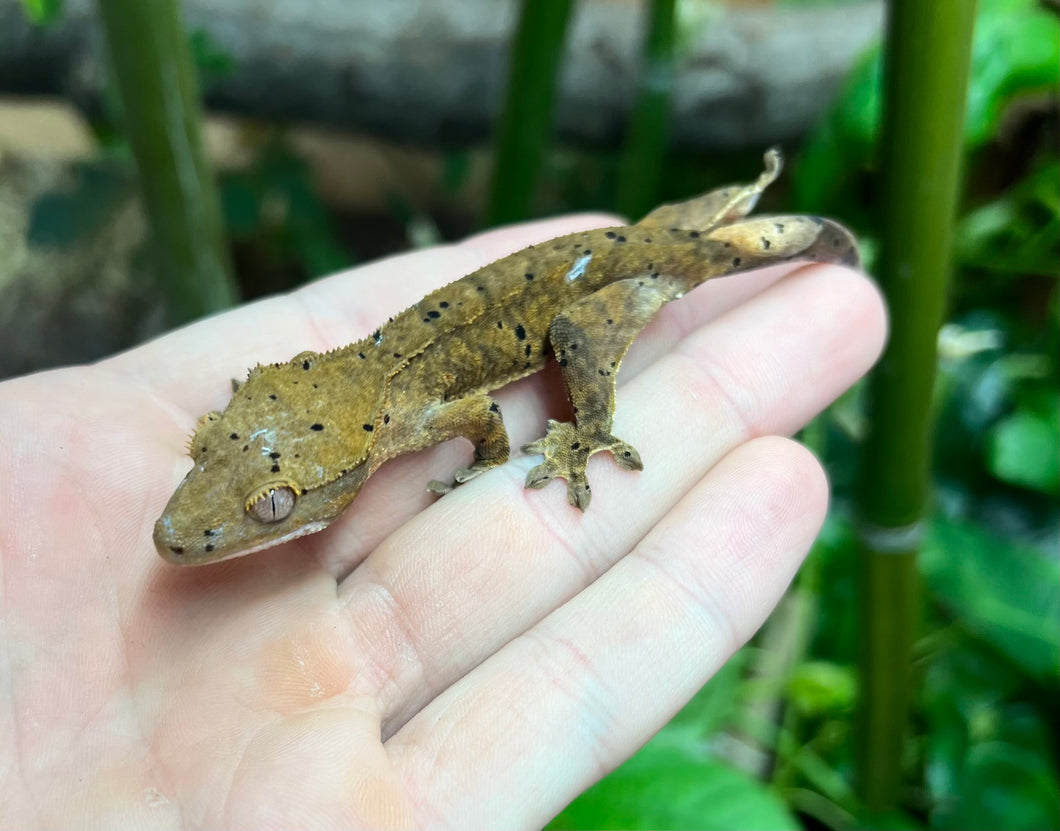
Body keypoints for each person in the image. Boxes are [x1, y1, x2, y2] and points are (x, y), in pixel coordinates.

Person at [0, 211, 884, 827]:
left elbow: (482, 420)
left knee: (578, 337)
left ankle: (606, 417)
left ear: (337, 476)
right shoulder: (344, 406)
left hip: (611, 277)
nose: (188, 534)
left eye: (271, 507)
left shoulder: (411, 416)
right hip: (597, 253)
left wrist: (517, 455)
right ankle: (717, 229)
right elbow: (279, 399)